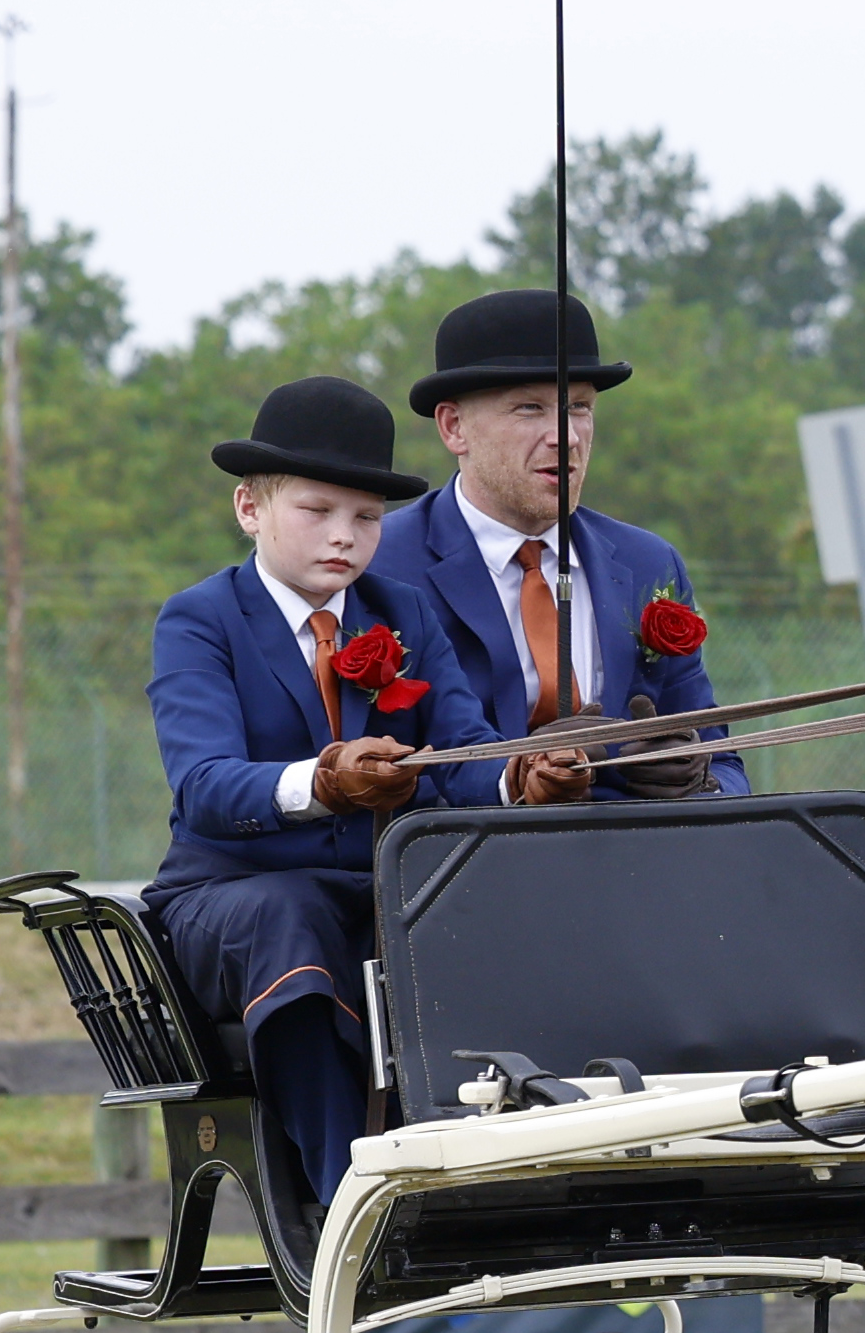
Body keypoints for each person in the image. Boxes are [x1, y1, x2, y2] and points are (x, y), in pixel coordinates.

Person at [143, 377, 439, 1241]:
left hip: (376, 895)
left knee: (472, 904)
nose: (346, 536)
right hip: (227, 901)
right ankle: (349, 1196)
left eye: (369, 517)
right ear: (250, 507)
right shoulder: (198, 621)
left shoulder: (403, 612)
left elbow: (462, 749)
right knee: (293, 913)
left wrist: (525, 780)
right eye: (319, 510)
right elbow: (202, 785)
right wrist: (324, 781)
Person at [364, 284, 743, 806]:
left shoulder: (649, 563)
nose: (564, 435)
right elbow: (360, 769)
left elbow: (723, 755)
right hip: (456, 871)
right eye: (529, 409)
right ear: (454, 428)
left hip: (634, 864)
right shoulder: (378, 562)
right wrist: (515, 781)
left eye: (579, 407)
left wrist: (697, 778)